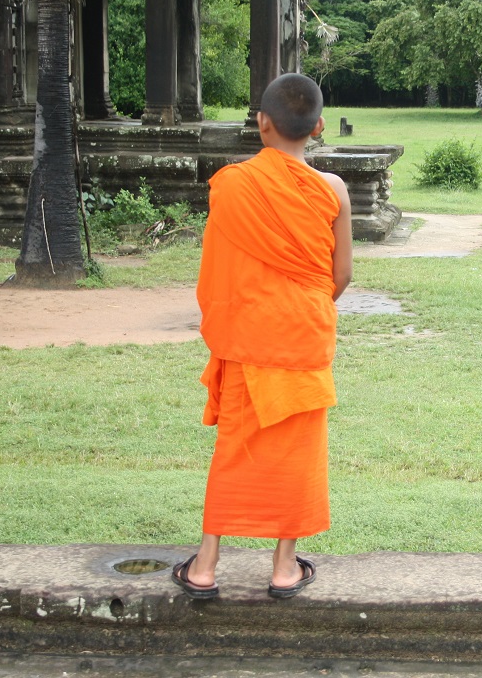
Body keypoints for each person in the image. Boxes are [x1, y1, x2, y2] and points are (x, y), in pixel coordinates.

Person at [172, 73, 352, 600]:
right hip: (301, 336)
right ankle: (284, 567)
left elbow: (220, 269)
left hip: (248, 335)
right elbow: (340, 276)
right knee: (298, 450)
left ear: (261, 123)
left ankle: (205, 566)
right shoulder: (332, 189)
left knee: (234, 447)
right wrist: (302, 308)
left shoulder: (232, 184)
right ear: (318, 127)